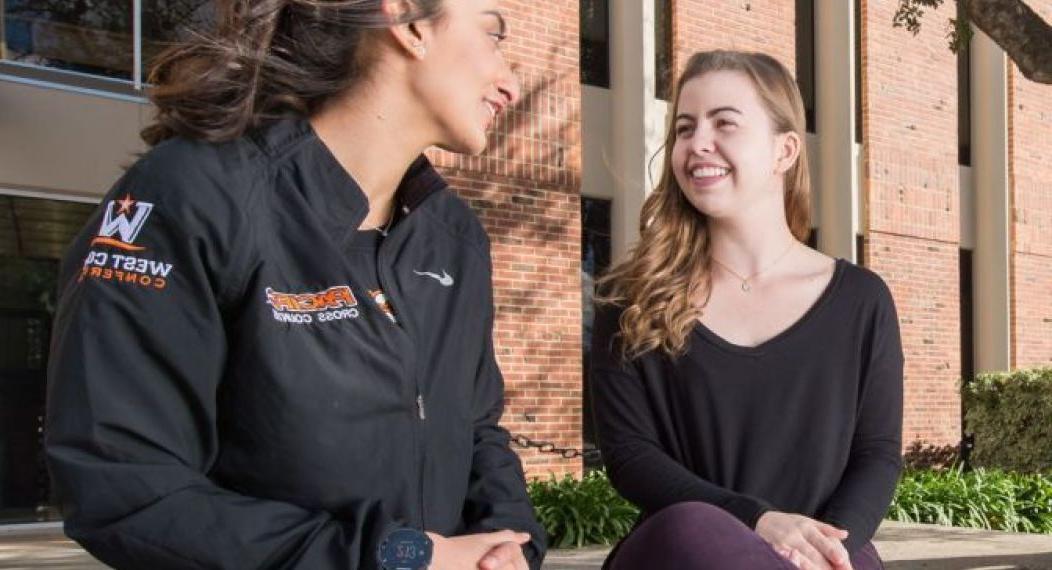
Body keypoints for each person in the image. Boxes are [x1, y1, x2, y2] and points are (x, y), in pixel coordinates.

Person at [44, 1, 547, 569]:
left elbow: (478, 428)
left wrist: (512, 544)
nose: (509, 81)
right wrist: (399, 559)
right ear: (408, 22)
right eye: (493, 32)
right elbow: (124, 489)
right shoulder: (191, 195)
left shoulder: (455, 236)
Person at [590, 50, 903, 570]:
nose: (697, 144)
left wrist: (831, 550)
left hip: (818, 553)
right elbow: (631, 458)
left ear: (784, 151)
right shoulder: (631, 298)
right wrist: (757, 520)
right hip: (679, 553)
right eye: (685, 128)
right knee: (695, 526)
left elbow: (877, 453)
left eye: (724, 124)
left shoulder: (861, 301)